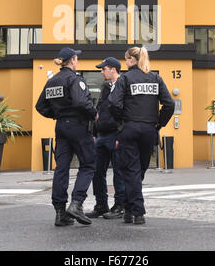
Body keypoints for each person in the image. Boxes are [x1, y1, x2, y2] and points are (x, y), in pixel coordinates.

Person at [108, 46, 175, 225]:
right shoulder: (156, 78)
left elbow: (114, 103)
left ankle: (137, 212)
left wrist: (121, 121)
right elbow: (169, 104)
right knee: (139, 170)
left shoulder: (125, 78)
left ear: (131, 59)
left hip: (130, 128)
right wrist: (159, 123)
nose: (125, 62)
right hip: (149, 130)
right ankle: (130, 210)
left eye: (126, 59)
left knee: (131, 171)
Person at [35, 47, 97, 227]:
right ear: (73, 60)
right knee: (88, 164)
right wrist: (93, 113)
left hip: (61, 126)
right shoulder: (74, 79)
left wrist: (57, 114)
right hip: (77, 125)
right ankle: (76, 204)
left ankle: (60, 213)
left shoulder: (52, 81)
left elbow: (40, 107)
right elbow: (80, 102)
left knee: (61, 168)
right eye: (77, 58)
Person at [86, 57, 125, 220]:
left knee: (119, 172)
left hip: (115, 135)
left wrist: (121, 135)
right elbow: (99, 110)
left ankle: (119, 206)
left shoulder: (123, 86)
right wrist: (95, 134)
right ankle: (101, 205)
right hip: (101, 136)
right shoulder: (106, 87)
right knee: (96, 171)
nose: (101, 72)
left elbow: (125, 112)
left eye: (104, 69)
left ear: (113, 69)